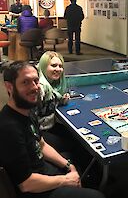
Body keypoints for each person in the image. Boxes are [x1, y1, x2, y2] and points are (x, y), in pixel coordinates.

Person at [0, 61, 105, 198]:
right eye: (25, 82)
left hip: (42, 169)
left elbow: (41, 144)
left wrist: (69, 166)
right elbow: (26, 184)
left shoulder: (27, 110)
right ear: (9, 87)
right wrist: (65, 180)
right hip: (34, 189)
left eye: (36, 81)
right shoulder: (8, 128)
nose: (34, 87)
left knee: (74, 161)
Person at [36, 51, 71, 151]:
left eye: (60, 66)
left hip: (51, 127)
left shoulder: (53, 85)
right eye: (53, 65)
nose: (58, 69)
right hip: (39, 133)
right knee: (71, 145)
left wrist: (60, 100)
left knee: (75, 138)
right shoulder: (41, 88)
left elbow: (48, 104)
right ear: (43, 66)